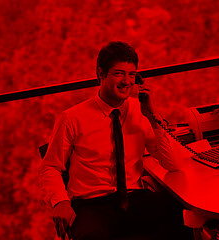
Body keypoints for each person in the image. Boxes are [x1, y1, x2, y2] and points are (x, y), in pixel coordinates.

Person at [38, 41, 193, 240]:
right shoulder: (72, 118)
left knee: (181, 210)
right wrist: (60, 202)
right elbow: (49, 167)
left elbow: (173, 164)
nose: (126, 81)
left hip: (133, 200)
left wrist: (153, 116)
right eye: (119, 73)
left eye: (131, 74)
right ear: (100, 74)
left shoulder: (140, 112)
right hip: (92, 205)